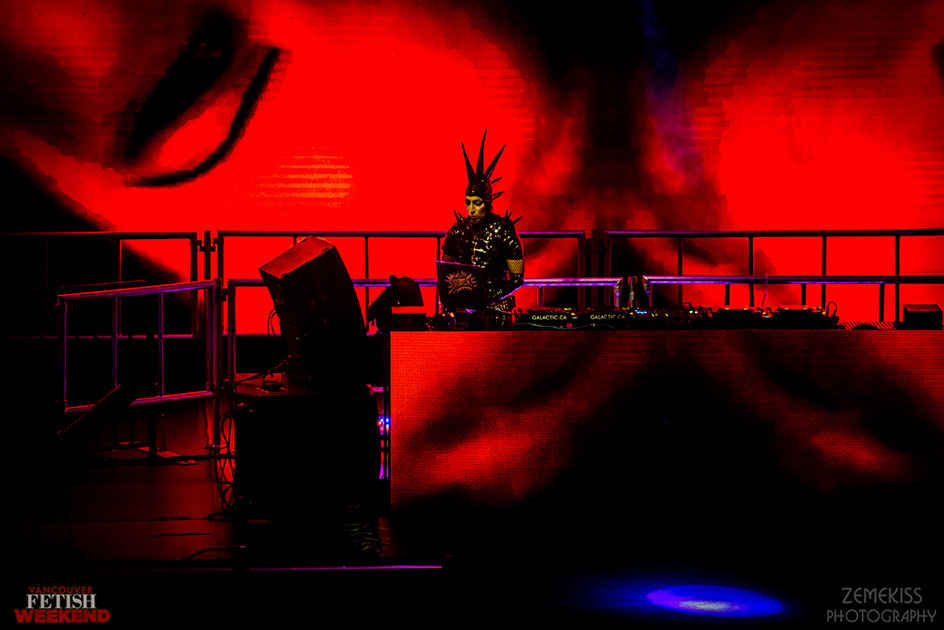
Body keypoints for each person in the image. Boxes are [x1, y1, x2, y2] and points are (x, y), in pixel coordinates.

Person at [440, 130, 525, 312]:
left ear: (487, 203)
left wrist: (490, 297)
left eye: (477, 203)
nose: (471, 209)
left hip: (496, 306)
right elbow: (444, 274)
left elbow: (517, 278)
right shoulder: (457, 231)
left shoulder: (504, 231)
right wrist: (451, 301)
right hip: (463, 306)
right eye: (468, 203)